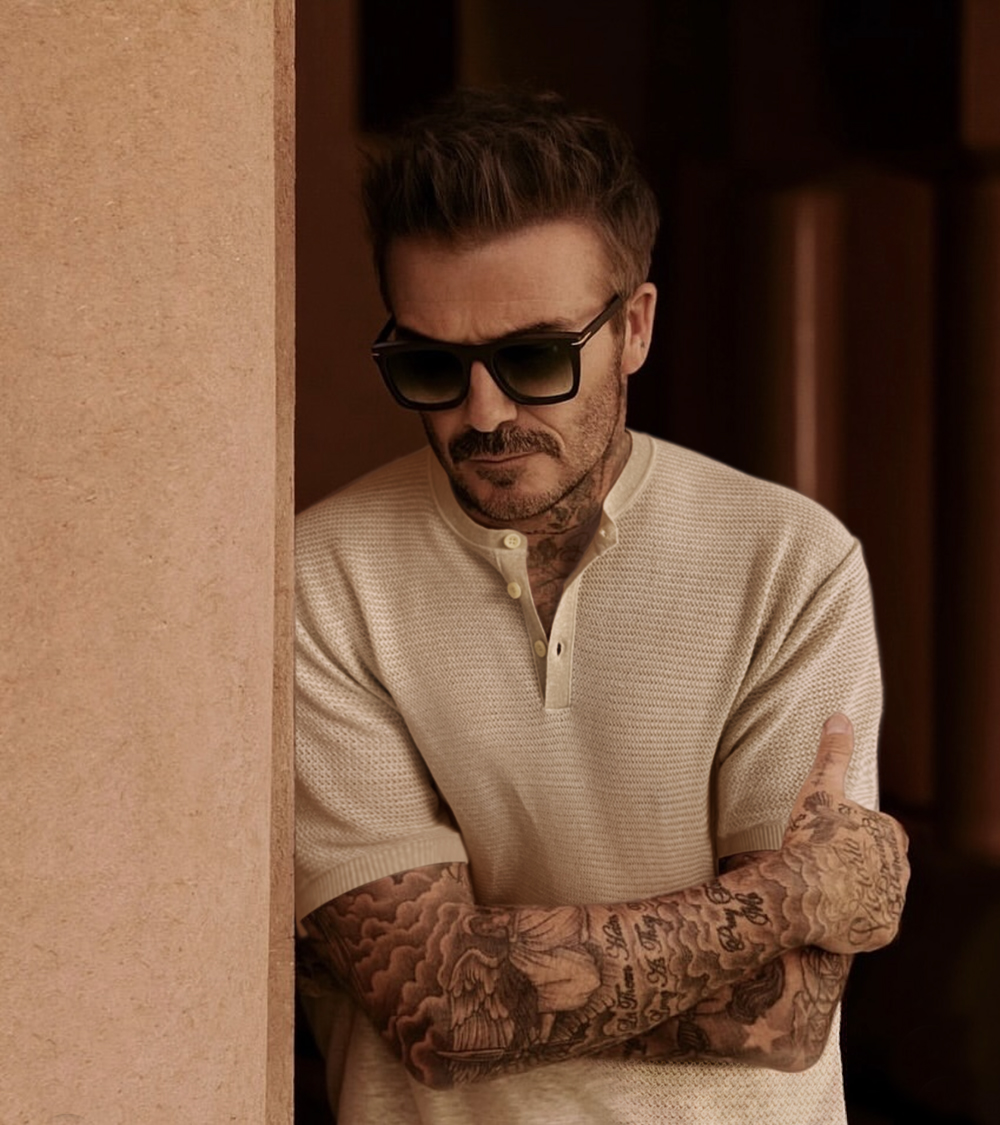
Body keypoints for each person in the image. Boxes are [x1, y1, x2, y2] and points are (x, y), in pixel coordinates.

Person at [295, 88, 909, 1124]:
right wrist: (784, 897)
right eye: (432, 365)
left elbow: (788, 1011)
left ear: (632, 328)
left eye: (534, 357)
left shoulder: (792, 565)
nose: (482, 413)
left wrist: (495, 973)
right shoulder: (320, 579)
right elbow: (436, 1009)